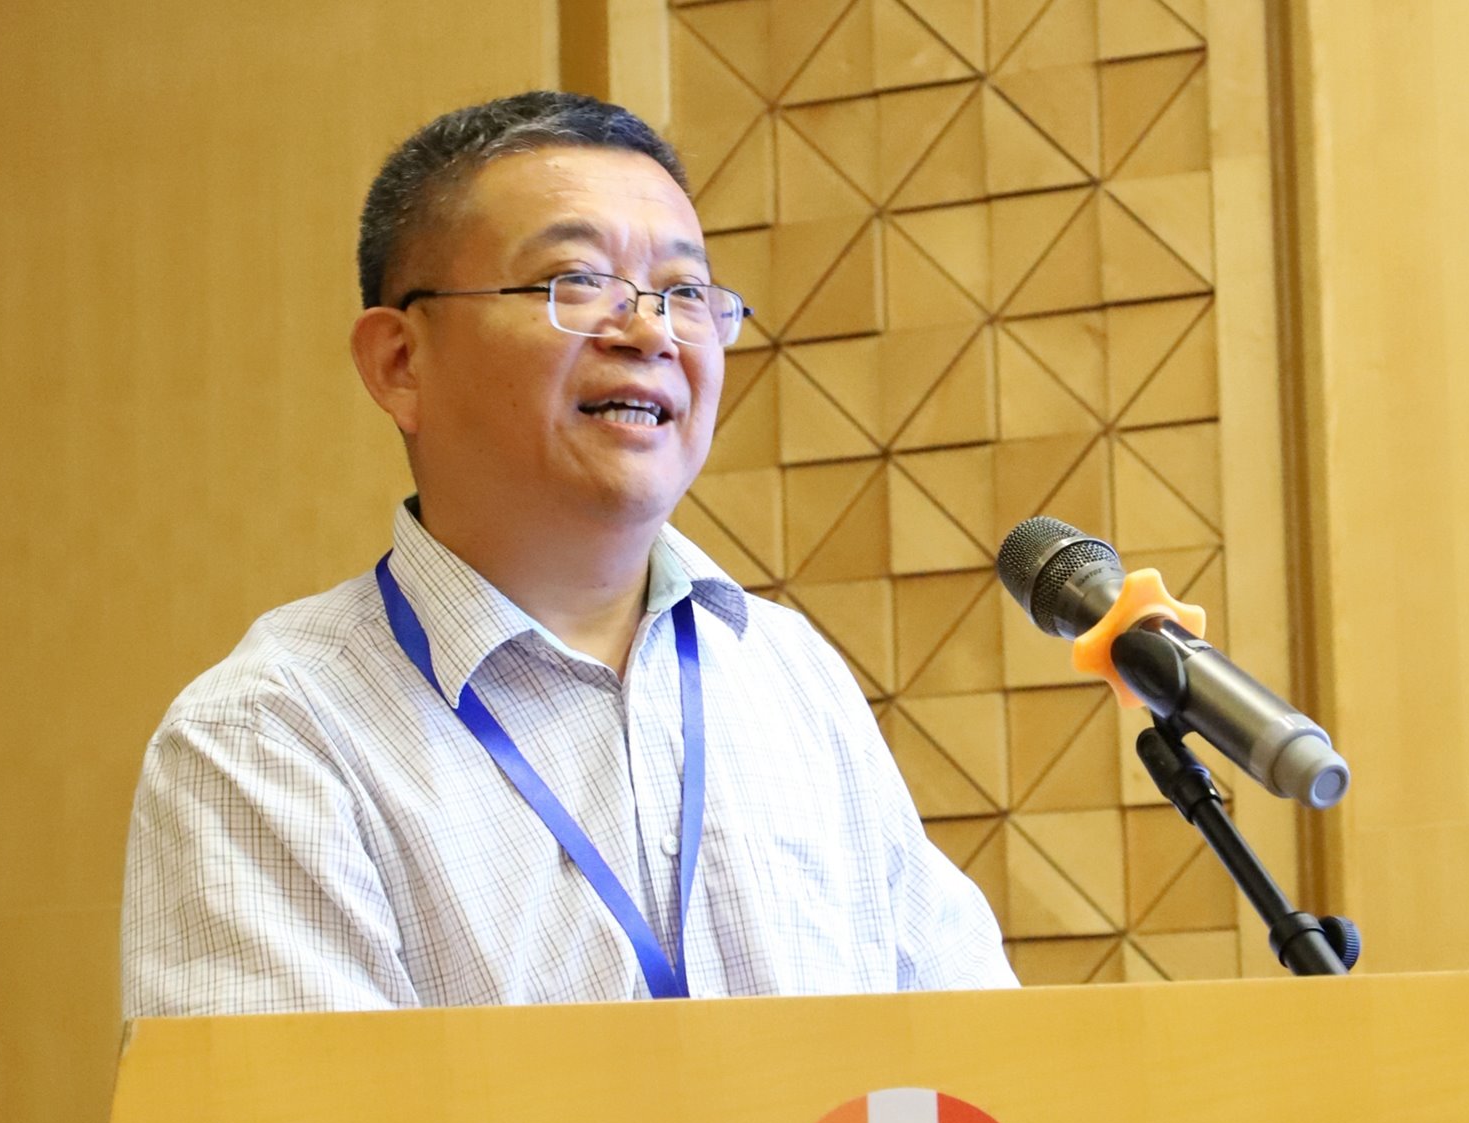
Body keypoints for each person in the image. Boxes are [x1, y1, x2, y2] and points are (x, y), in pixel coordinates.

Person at [121, 91, 1016, 1015]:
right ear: (400, 363)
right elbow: (298, 1112)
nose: (651, 332)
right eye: (577, 281)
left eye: (685, 293)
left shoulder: (787, 674)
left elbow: (974, 1047)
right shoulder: (272, 736)